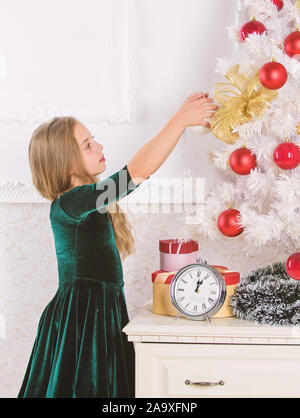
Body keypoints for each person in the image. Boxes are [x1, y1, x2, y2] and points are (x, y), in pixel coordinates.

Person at [17, 92, 219, 398]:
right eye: (87, 145)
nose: (98, 146)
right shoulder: (72, 202)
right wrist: (179, 121)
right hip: (83, 319)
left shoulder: (86, 202)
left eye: (93, 140)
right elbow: (134, 174)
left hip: (99, 309)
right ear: (66, 161)